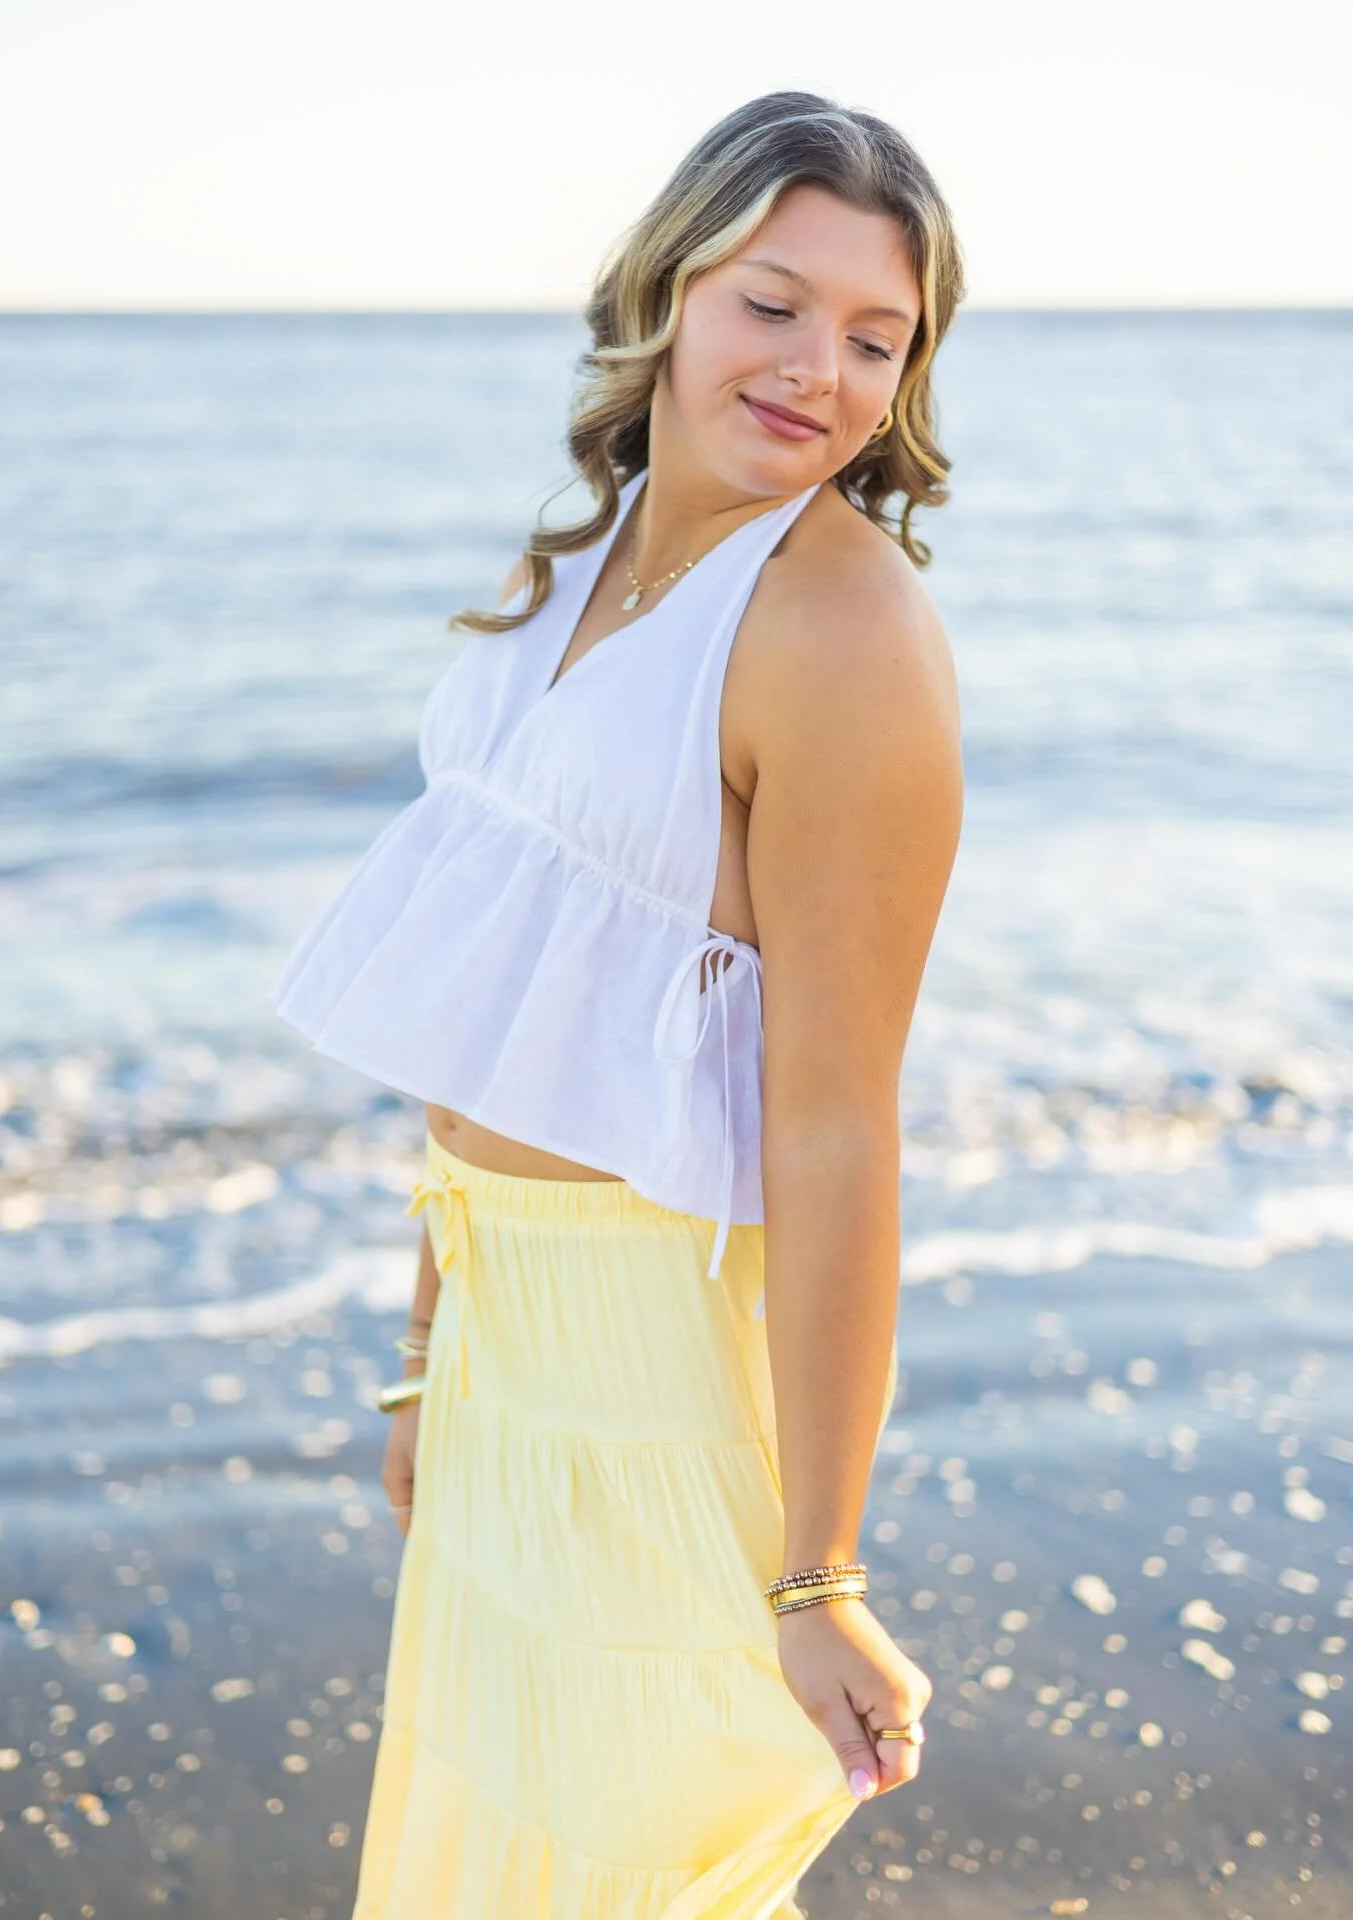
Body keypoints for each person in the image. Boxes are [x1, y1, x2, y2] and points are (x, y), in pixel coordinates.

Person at [275, 87, 966, 1920]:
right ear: (667, 289)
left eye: (876, 336)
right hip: (504, 1332)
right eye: (773, 303)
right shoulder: (594, 556)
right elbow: (497, 1011)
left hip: (660, 1357)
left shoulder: (843, 634)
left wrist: (821, 1574)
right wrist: (430, 1351)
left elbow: (838, 1124)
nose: (819, 370)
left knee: (632, 1877)